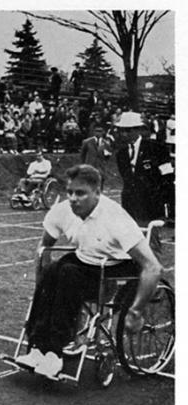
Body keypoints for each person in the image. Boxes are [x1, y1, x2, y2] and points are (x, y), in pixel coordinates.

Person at [15, 165, 163, 378]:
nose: (74, 198)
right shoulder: (63, 210)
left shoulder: (115, 218)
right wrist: (42, 287)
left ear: (98, 193)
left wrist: (136, 311)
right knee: (53, 272)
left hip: (115, 265)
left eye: (81, 193)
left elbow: (153, 267)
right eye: (70, 192)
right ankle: (37, 348)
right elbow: (44, 248)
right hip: (85, 258)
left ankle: (54, 354)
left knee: (67, 274)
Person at [114, 112, 174, 225]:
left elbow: (168, 179)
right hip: (130, 205)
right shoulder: (121, 154)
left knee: (151, 239)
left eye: (128, 130)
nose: (123, 134)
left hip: (151, 205)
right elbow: (127, 179)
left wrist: (170, 209)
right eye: (121, 130)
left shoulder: (157, 149)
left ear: (138, 130)